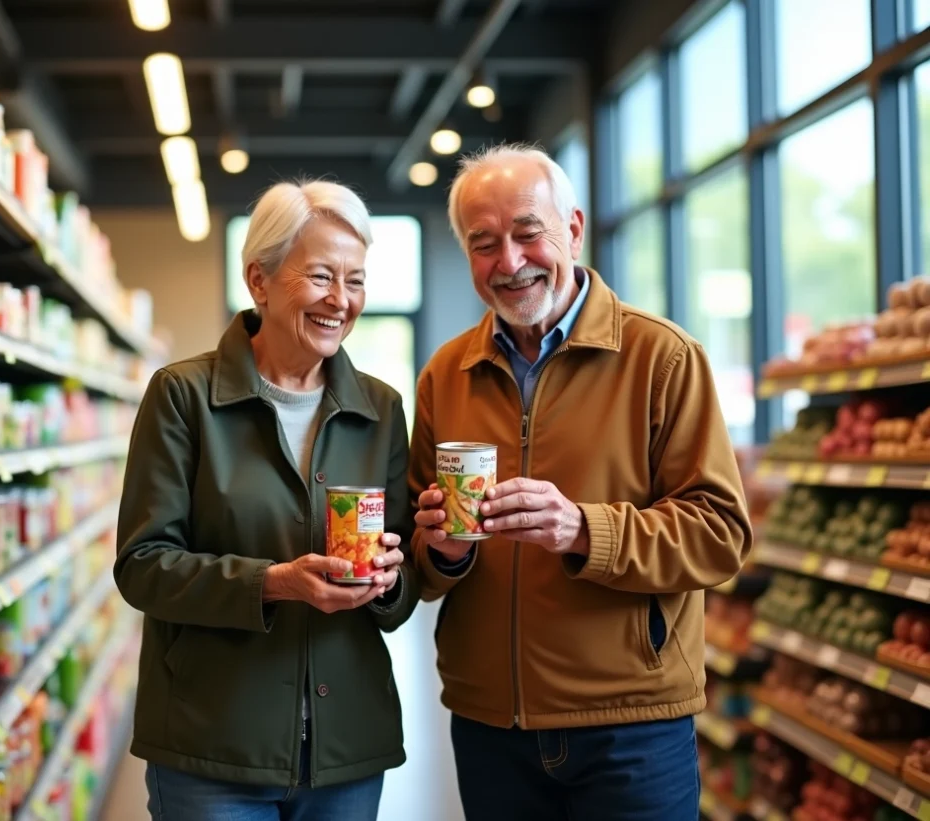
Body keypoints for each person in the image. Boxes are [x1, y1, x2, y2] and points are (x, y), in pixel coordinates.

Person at [409, 143, 752, 821]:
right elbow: (422, 565)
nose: (509, 262)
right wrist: (443, 552)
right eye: (484, 244)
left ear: (573, 227)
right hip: (490, 725)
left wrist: (582, 528)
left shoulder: (662, 358)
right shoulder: (446, 374)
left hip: (631, 726)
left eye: (528, 233)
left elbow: (720, 536)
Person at [115, 179, 419, 820]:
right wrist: (276, 583)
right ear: (259, 280)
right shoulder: (183, 397)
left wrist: (393, 577)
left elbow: (399, 593)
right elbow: (142, 565)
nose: (342, 300)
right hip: (212, 746)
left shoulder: (382, 410)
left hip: (347, 749)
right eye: (321, 277)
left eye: (356, 280)